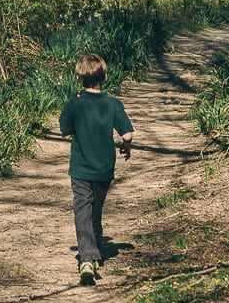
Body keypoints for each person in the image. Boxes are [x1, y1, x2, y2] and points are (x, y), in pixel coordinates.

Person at [59, 53, 134, 286]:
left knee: (83, 209)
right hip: (104, 169)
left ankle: (88, 258)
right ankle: (93, 244)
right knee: (95, 208)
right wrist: (126, 146)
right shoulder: (113, 104)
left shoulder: (73, 105)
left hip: (81, 168)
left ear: (78, 79)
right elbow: (128, 133)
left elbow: (65, 131)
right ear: (105, 76)